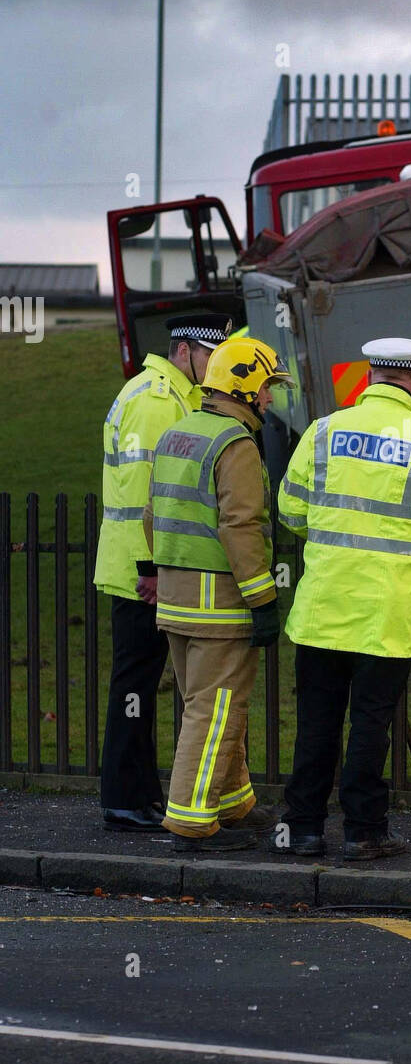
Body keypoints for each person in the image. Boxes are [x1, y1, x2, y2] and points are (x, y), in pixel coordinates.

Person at [275, 336, 411, 861]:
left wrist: (333, 539)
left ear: (368, 378)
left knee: (317, 721)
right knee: (372, 720)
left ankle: (302, 828)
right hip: (388, 614)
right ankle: (363, 830)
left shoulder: (323, 432)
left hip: (324, 607)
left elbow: (289, 509)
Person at [137, 334, 294, 853]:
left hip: (178, 602)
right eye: (267, 387)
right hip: (220, 605)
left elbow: (150, 515)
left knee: (208, 704)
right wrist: (263, 600)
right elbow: (241, 528)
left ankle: (234, 802)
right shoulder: (236, 445)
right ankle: (191, 822)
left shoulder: (178, 433)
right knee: (216, 708)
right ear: (244, 387)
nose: (270, 399)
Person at [94, 312, 232, 832]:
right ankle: (124, 799)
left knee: (142, 685)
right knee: (133, 685)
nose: (215, 367)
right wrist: (149, 569)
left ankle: (140, 795)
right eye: (210, 357)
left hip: (141, 567)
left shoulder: (167, 393)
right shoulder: (156, 400)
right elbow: (140, 493)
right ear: (185, 352)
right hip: (140, 572)